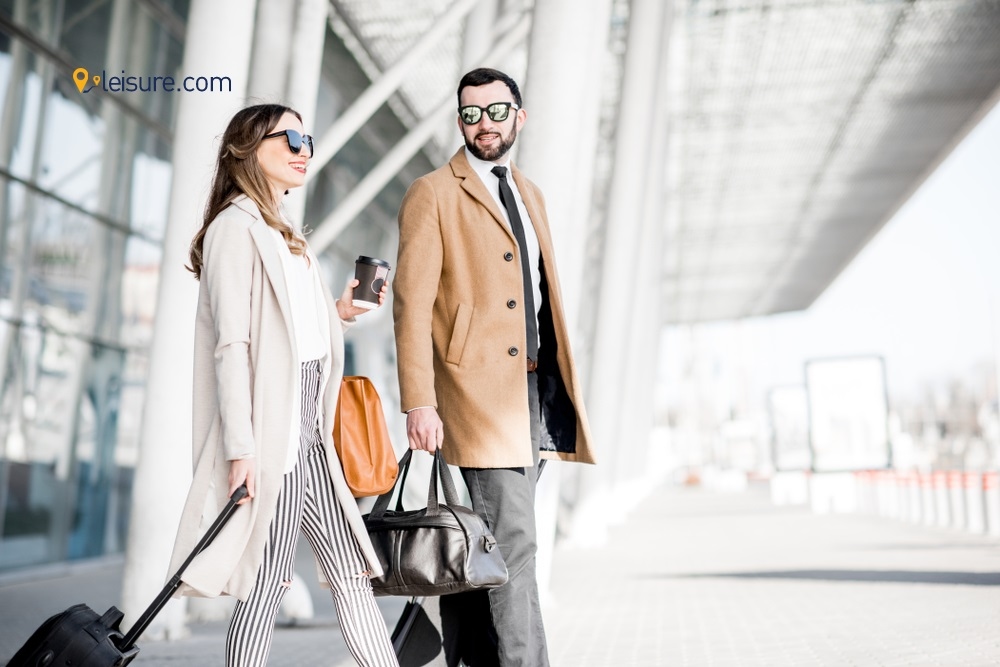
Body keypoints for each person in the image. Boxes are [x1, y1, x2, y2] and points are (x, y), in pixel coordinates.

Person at [166, 104, 398, 667]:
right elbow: (233, 347)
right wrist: (242, 449)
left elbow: (290, 332)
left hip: (310, 428)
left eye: (308, 139)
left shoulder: (283, 231)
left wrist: (339, 310)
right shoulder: (233, 228)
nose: (303, 150)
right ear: (245, 149)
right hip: (274, 429)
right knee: (266, 583)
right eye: (289, 138)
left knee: (349, 573)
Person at [393, 68, 596, 666]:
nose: (484, 123)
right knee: (516, 546)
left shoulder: (530, 193)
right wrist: (419, 402)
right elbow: (412, 303)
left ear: (519, 117)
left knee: (489, 550)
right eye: (471, 113)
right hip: (476, 397)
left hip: (534, 392)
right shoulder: (432, 192)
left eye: (496, 111)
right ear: (460, 121)